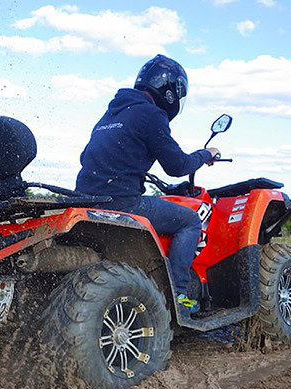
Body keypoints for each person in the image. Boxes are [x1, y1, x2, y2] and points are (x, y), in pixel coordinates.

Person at [75, 54, 219, 314]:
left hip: (84, 202)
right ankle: (179, 295)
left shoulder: (111, 113)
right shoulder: (151, 114)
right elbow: (177, 165)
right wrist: (205, 155)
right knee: (189, 221)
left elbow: (86, 157)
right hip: (122, 202)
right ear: (172, 91)